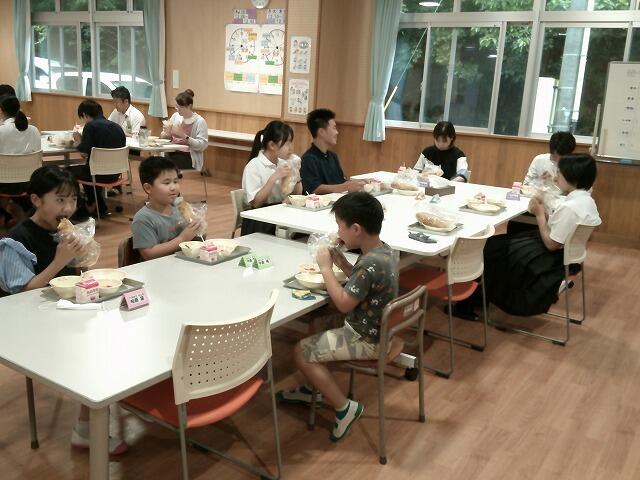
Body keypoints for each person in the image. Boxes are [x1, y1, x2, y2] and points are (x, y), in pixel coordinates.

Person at [0, 166, 128, 455]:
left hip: (62, 313)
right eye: (60, 200)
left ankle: (102, 414)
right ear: (36, 200)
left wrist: (82, 258)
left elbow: (73, 278)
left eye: (72, 199)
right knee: (96, 351)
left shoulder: (64, 231)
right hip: (25, 325)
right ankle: (86, 430)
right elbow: (21, 295)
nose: (68, 208)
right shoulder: (16, 240)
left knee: (115, 331)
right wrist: (60, 260)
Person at [277, 192, 398, 442]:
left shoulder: (369, 264)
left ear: (356, 229)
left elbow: (343, 303)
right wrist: (342, 263)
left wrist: (325, 268)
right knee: (316, 324)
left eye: (339, 226)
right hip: (375, 327)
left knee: (301, 352)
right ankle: (315, 387)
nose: (338, 232)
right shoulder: (382, 251)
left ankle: (344, 408)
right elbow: (363, 280)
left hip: (366, 339)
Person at [461, 154, 600, 318]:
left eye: (560, 173)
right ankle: (481, 296)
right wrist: (544, 210)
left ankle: (472, 300)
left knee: (491, 248)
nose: (556, 177)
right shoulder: (587, 202)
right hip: (568, 256)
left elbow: (551, 244)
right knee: (498, 244)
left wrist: (539, 214)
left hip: (553, 258)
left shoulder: (570, 207)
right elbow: (559, 229)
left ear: (573, 178)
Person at [131, 156, 203, 261]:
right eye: (167, 183)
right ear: (148, 188)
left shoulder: (180, 208)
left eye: (176, 181)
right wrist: (182, 238)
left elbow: (196, 240)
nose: (173, 187)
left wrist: (198, 230)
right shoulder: (143, 219)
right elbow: (149, 254)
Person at [507, 131, 577, 235]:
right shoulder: (540, 160)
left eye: (560, 157)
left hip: (558, 209)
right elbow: (526, 185)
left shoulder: (575, 167)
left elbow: (577, 193)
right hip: (538, 203)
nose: (556, 160)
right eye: (554, 156)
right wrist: (540, 180)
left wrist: (559, 182)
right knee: (515, 220)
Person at [241, 120, 302, 235]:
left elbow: (297, 194)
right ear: (272, 145)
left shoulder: (283, 163)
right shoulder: (254, 166)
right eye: (287, 143)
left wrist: (296, 174)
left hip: (278, 215)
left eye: (291, 142)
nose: (291, 148)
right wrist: (274, 177)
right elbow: (256, 203)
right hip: (259, 221)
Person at [71, 100, 126, 217]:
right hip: (115, 174)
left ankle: (86, 205)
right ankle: (98, 206)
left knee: (67, 171)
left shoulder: (90, 126)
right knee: (90, 170)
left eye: (83, 117)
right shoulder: (117, 127)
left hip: (97, 174)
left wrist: (78, 139)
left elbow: (84, 154)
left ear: (85, 115)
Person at [300, 108, 365, 194]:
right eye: (334, 128)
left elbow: (341, 182)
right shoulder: (308, 159)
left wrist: (362, 182)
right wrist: (346, 187)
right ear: (321, 132)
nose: (337, 132)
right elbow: (314, 189)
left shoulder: (333, 156)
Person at [0, 95, 42, 224]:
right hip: (29, 182)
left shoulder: (1, 130)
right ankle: (20, 213)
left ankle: (6, 212)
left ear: (1, 111)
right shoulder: (34, 130)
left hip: (4, 183)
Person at [161, 89, 208, 172]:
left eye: (181, 107)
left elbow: (202, 146)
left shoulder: (199, 121)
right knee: (155, 161)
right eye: (177, 106)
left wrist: (183, 135)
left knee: (165, 164)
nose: (178, 109)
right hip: (172, 150)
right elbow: (165, 138)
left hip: (188, 155)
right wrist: (166, 134)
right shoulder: (176, 116)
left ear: (189, 106)